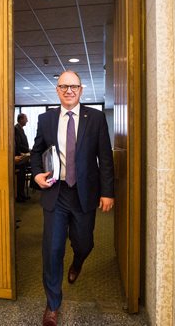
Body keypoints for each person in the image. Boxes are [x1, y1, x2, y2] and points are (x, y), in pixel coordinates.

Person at [30, 70, 114, 326]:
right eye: (63, 86)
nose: (69, 90)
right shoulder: (46, 120)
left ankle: (78, 261)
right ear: (57, 90)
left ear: (81, 90)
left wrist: (107, 192)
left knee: (85, 243)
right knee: (52, 250)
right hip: (56, 193)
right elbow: (36, 152)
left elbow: (105, 158)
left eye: (73, 86)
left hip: (84, 193)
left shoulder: (96, 118)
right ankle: (53, 304)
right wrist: (36, 175)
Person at [15, 113, 30, 202]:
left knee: (22, 177)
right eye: (26, 119)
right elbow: (18, 144)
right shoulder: (16, 129)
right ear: (21, 119)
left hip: (23, 157)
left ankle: (22, 194)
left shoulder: (20, 129)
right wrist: (25, 151)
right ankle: (20, 196)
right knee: (20, 178)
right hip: (19, 158)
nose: (27, 121)